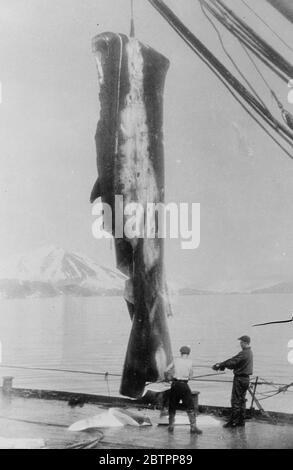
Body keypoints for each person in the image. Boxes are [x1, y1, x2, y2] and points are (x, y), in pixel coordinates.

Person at [212, 335, 253, 428]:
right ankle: (241, 421)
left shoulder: (244, 353)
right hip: (246, 379)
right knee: (242, 400)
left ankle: (233, 422)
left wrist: (220, 365)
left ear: (245, 343)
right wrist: (223, 364)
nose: (240, 344)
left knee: (235, 400)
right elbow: (234, 360)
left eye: (241, 342)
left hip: (240, 379)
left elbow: (233, 361)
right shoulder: (249, 352)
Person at [165, 345, 202, 434]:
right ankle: (193, 427)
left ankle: (171, 426)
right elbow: (191, 376)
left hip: (175, 385)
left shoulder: (176, 360)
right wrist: (187, 377)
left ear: (180, 352)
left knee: (172, 405)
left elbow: (166, 370)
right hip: (184, 386)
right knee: (190, 406)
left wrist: (169, 378)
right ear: (188, 353)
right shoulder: (190, 362)